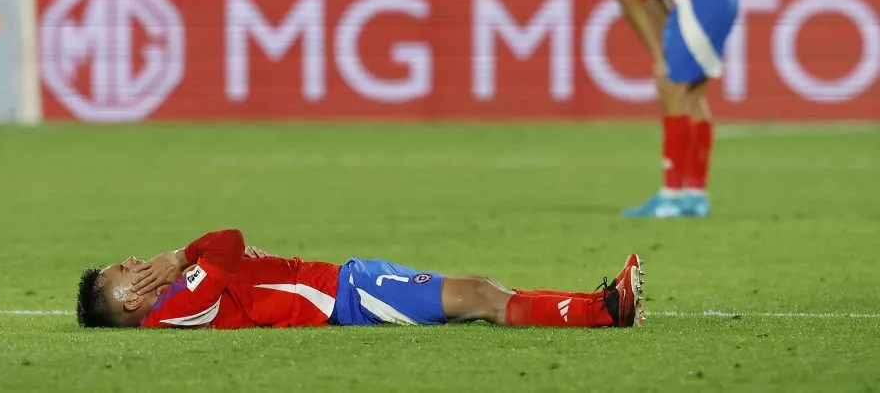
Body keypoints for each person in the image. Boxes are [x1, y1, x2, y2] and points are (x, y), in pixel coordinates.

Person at [546, 0, 740, 218]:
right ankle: (694, 195)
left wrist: (658, 54)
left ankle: (671, 196)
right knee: (692, 94)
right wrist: (667, 45)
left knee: (670, 88)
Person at [76, 228, 644, 330]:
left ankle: (599, 303)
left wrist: (245, 264)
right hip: (347, 298)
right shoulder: (173, 309)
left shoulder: (178, 301)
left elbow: (234, 258)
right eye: (121, 273)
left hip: (344, 283)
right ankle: (604, 311)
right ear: (127, 304)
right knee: (478, 296)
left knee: (482, 290)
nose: (132, 262)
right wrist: (180, 254)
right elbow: (225, 239)